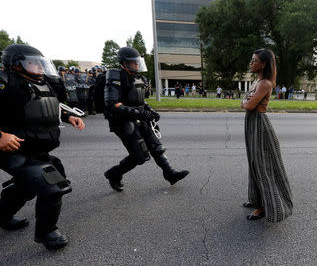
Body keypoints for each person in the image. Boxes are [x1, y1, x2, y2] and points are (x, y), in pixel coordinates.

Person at [0, 44, 85, 250]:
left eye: (40, 63)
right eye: (32, 63)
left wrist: (68, 116)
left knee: (27, 186)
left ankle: (3, 215)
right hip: (10, 148)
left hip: (33, 148)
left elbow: (46, 107)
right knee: (52, 185)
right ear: (16, 65)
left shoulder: (40, 83)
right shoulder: (5, 82)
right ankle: (48, 233)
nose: (38, 67)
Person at [103, 47, 189, 191]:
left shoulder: (138, 77)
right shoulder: (115, 76)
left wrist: (151, 111)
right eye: (133, 63)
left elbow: (141, 101)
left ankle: (170, 174)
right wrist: (140, 114)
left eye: (138, 62)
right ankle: (114, 174)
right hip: (123, 122)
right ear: (124, 63)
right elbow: (113, 105)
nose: (137, 65)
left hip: (139, 118)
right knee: (140, 157)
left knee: (156, 147)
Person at [240, 48, 293, 222]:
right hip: (251, 124)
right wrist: (247, 101)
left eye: (254, 60)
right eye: (251, 59)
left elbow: (248, 105)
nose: (251, 62)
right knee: (254, 163)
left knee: (263, 166)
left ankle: (265, 206)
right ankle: (256, 199)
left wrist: (244, 101)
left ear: (263, 64)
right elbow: (248, 102)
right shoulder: (257, 81)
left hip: (260, 126)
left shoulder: (265, 84)